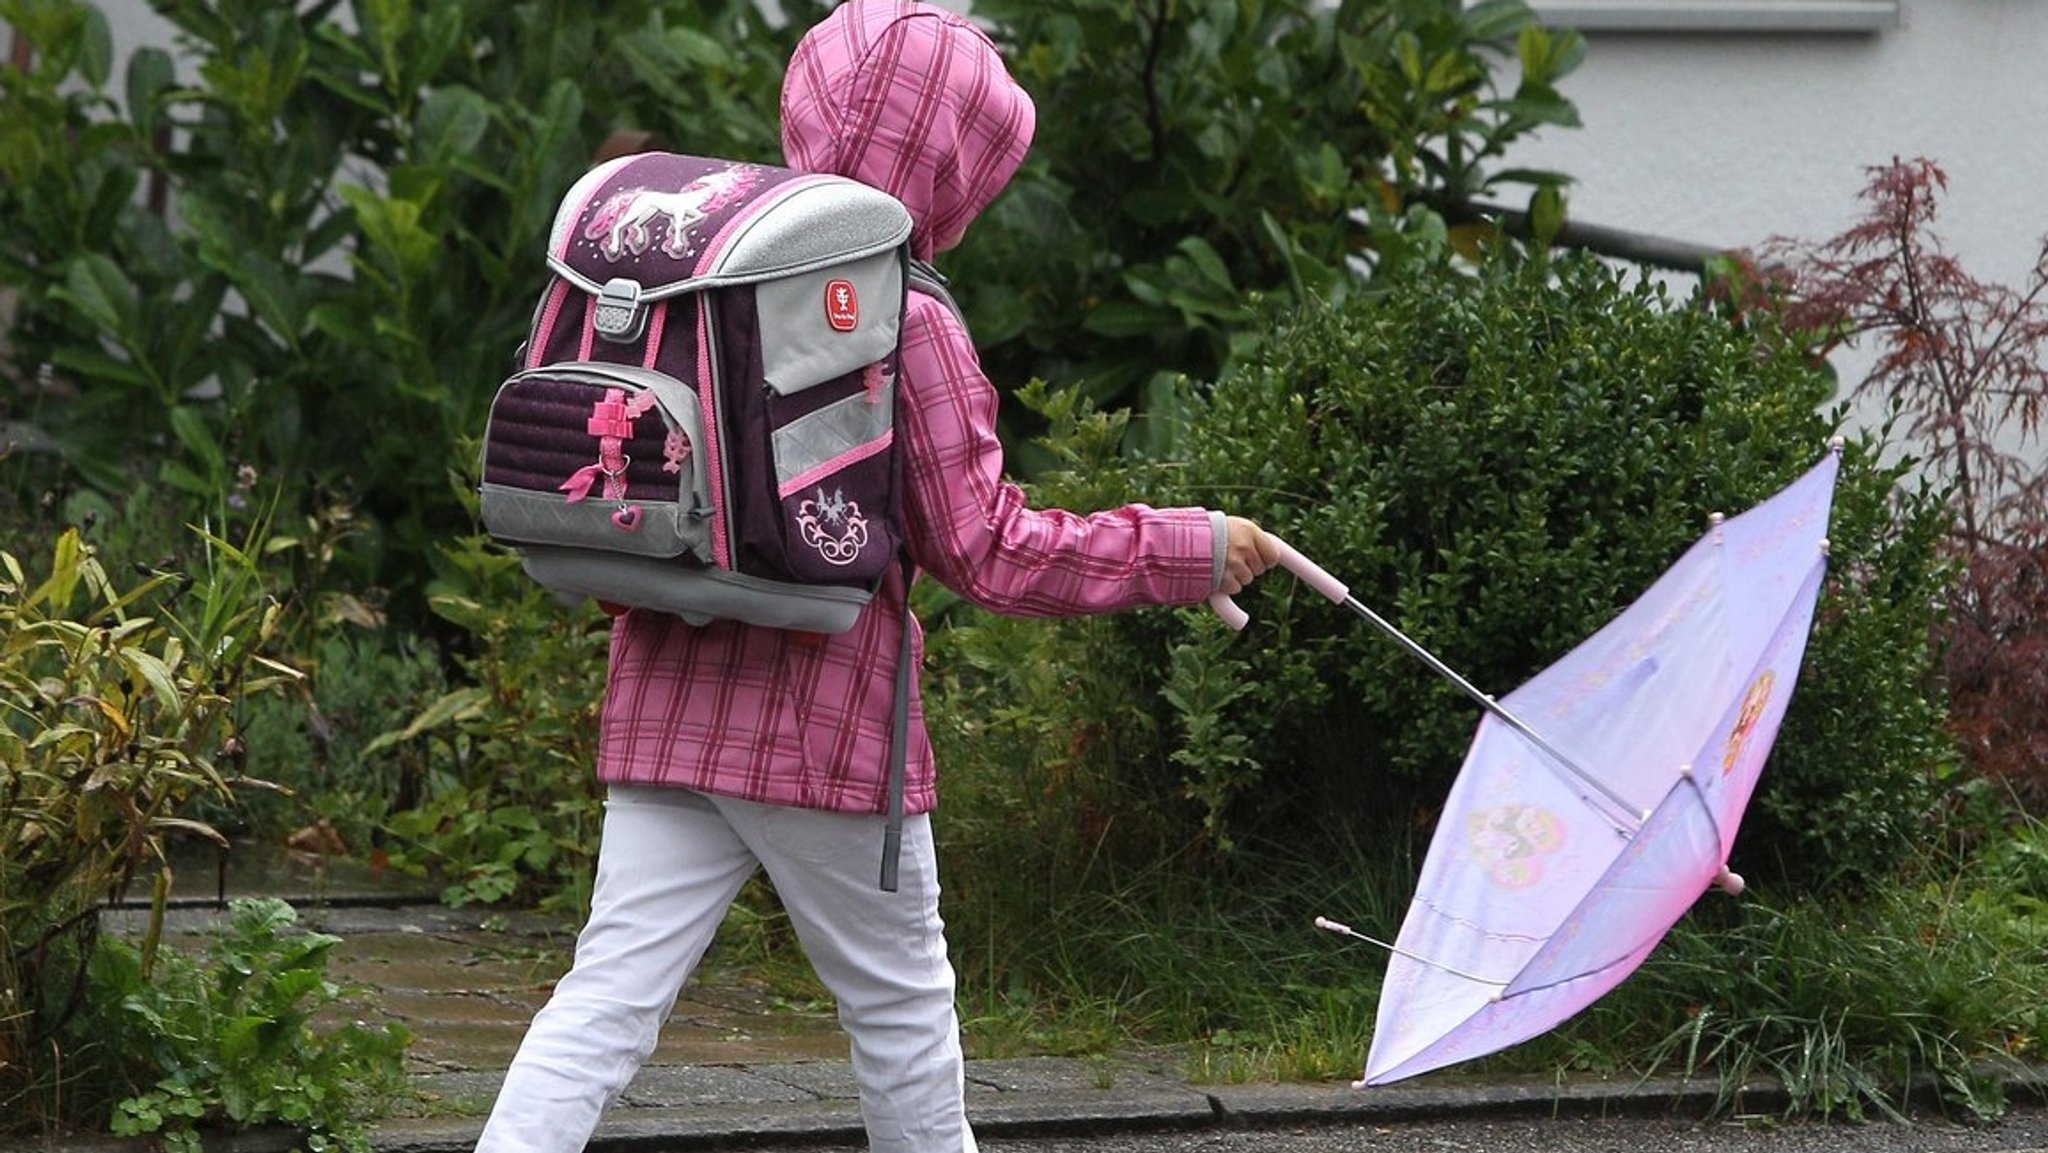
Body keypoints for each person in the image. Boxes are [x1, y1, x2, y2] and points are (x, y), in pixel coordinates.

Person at [473, 3, 1279, 1151]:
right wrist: (1181, 548)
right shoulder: (906, 313)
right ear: (960, 156)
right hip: (826, 725)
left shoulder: (701, 270)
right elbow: (987, 550)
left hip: (664, 697)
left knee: (602, 1002)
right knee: (900, 1012)